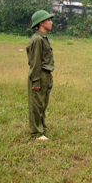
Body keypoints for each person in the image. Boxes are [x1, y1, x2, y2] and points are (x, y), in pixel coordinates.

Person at [27, 10, 55, 140]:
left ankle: (41, 128)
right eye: (48, 20)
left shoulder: (43, 38)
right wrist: (36, 81)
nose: (51, 22)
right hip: (39, 75)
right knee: (36, 104)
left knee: (42, 103)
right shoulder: (37, 39)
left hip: (46, 74)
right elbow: (35, 63)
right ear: (41, 23)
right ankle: (37, 133)